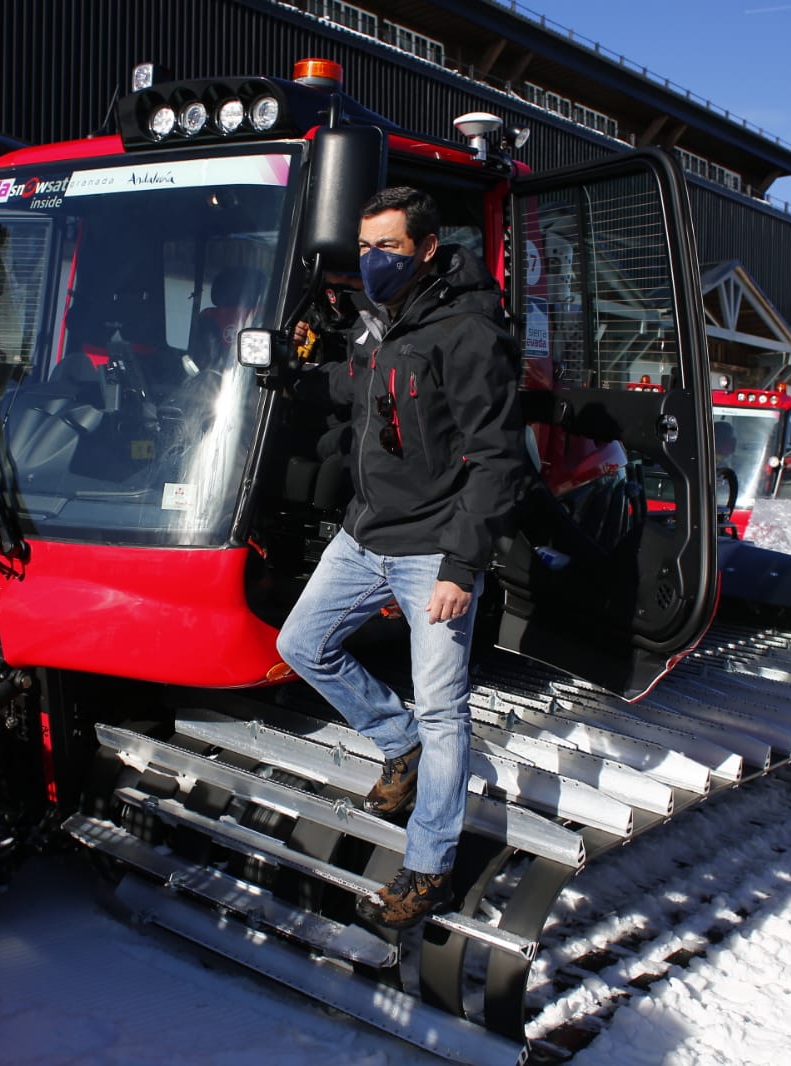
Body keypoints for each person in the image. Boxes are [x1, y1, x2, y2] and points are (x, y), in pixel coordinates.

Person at [276, 187, 528, 930]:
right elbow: (361, 397)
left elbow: (497, 459)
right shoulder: (384, 322)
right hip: (365, 535)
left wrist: (461, 565)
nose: (372, 260)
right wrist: (283, 370)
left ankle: (428, 869)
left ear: (424, 248)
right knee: (301, 644)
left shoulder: (468, 330)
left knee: (445, 710)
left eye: (387, 247)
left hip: (434, 551)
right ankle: (397, 741)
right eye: (364, 246)